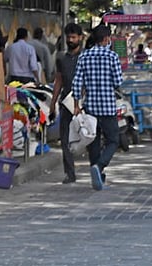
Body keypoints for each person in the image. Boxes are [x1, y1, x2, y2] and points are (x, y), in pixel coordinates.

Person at [72, 24, 123, 191]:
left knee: (93, 142)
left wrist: (76, 105)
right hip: (107, 107)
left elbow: (77, 83)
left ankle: (98, 178)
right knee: (113, 140)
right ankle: (99, 167)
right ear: (106, 39)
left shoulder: (84, 56)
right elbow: (118, 82)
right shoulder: (112, 56)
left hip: (91, 108)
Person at [49, 23, 83, 185]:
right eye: (69, 37)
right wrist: (53, 103)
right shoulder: (61, 58)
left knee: (90, 136)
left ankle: (97, 168)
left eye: (74, 37)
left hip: (84, 104)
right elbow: (59, 81)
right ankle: (70, 173)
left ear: (80, 38)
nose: (71, 40)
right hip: (66, 103)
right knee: (65, 138)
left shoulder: (86, 57)